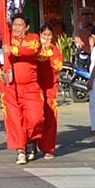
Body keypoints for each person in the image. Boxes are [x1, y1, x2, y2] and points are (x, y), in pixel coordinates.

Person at [0, 9, 45, 164]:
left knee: (35, 119)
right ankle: (20, 150)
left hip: (31, 88)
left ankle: (31, 139)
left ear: (27, 27)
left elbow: (32, 50)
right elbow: (0, 21)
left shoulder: (33, 38)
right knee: (15, 121)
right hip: (11, 88)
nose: (17, 27)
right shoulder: (8, 37)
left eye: (20, 25)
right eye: (15, 24)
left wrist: (14, 49)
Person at [36, 23, 64, 159]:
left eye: (49, 35)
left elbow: (58, 67)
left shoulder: (55, 50)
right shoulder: (34, 48)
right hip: (35, 88)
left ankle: (48, 148)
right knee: (35, 117)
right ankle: (33, 142)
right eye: (44, 35)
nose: (46, 38)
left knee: (51, 118)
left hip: (51, 88)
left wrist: (49, 53)